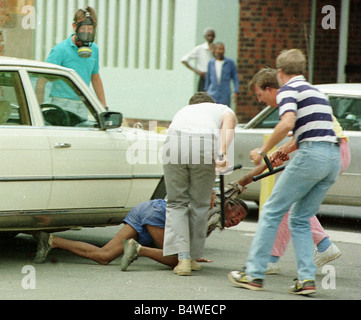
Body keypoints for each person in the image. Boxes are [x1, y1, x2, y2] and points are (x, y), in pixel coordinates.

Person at [228, 49, 341, 295]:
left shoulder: (289, 89)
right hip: (332, 158)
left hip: (311, 154)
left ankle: (253, 274)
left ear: (279, 73)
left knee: (270, 210)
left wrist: (264, 151)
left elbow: (287, 122)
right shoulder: (315, 91)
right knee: (300, 219)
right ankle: (306, 280)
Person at [246, 67, 350, 274]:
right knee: (293, 206)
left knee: (284, 204)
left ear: (270, 89)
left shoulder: (289, 96)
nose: (259, 100)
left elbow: (293, 133)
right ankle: (311, 252)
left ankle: (269, 262)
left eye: (259, 95)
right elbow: (300, 136)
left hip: (327, 150)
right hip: (336, 151)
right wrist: (279, 153)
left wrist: (265, 152)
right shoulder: (300, 94)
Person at [32, 194, 248, 272]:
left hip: (145, 210)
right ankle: (138, 250)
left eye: (240, 220)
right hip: (158, 213)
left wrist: (195, 253)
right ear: (228, 204)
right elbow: (245, 179)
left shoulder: (211, 223)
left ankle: (52, 240)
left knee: (104, 256)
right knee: (176, 260)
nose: (237, 219)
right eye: (237, 212)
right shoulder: (214, 201)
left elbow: (192, 239)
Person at [162, 92, 237, 276]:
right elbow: (228, 128)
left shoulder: (184, 110)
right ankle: (193, 257)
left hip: (174, 142)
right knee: (200, 204)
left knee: (176, 202)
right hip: (204, 144)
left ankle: (184, 258)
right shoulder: (223, 109)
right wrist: (221, 154)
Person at [44, 6, 106, 108]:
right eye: (83, 28)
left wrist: (104, 107)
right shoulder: (61, 50)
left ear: (95, 27)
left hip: (83, 105)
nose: (86, 32)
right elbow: (43, 78)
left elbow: (95, 78)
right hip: (60, 105)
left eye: (90, 29)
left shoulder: (94, 49)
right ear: (74, 26)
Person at [205, 42, 239, 107]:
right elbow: (208, 78)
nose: (221, 51)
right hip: (212, 93)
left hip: (225, 93)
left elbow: (235, 77)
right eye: (219, 49)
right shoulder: (211, 63)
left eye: (222, 49)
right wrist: (206, 91)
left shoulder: (230, 63)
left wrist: (236, 90)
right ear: (215, 50)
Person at [181, 27, 216, 92]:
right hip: (204, 77)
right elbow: (184, 60)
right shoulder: (200, 48)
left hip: (215, 77)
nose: (210, 38)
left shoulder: (217, 48)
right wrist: (197, 71)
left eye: (212, 36)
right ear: (205, 37)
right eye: (208, 35)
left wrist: (213, 52)